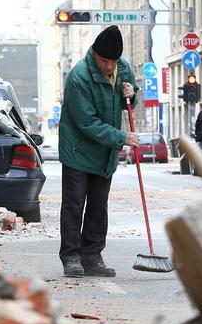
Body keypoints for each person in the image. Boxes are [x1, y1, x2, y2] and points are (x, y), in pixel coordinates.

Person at [58, 25, 140, 278]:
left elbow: (129, 101)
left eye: (113, 61)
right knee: (74, 205)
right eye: (105, 61)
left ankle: (92, 257)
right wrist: (121, 137)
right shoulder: (78, 77)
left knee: (98, 206)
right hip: (78, 149)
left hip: (105, 151)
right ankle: (71, 256)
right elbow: (87, 123)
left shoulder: (122, 68)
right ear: (94, 53)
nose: (109, 67)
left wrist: (132, 93)